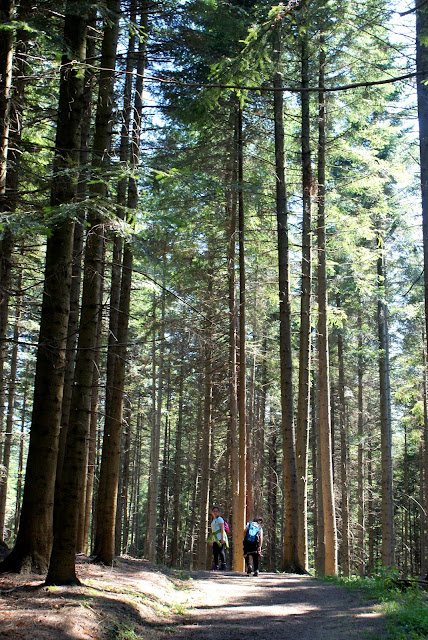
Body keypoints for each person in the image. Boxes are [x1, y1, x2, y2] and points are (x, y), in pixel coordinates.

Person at [208, 505, 228, 570]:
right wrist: (211, 540)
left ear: (219, 512)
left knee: (221, 551)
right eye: (214, 511)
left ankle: (223, 564)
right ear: (212, 512)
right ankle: (216, 565)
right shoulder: (214, 520)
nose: (215, 512)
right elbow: (213, 531)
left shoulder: (220, 519)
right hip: (215, 538)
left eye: (216, 511)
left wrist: (222, 538)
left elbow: (222, 529)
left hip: (220, 537)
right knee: (215, 552)